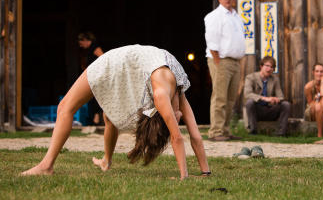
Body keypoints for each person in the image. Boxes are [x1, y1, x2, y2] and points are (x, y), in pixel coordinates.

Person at [22, 45, 210, 180]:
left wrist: (205, 173)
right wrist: (184, 176)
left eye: (175, 121)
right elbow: (177, 138)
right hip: (112, 64)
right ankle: (46, 165)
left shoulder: (175, 93)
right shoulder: (166, 94)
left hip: (130, 67)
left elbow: (195, 135)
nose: (179, 119)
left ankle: (106, 161)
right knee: (66, 107)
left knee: (108, 116)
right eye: (176, 120)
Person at [204, 0, 246, 141]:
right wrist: (217, 61)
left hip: (234, 61)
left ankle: (225, 130)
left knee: (230, 98)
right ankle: (215, 132)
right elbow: (211, 39)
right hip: (221, 60)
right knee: (220, 96)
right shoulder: (215, 16)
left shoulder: (236, 16)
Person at [244, 56, 291, 136]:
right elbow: (247, 94)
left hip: (270, 109)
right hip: (257, 110)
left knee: (286, 105)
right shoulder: (250, 77)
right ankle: (253, 131)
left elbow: (281, 96)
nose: (269, 69)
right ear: (261, 66)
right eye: (267, 66)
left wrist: (275, 99)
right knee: (249, 103)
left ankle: (281, 133)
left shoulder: (275, 79)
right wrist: (265, 99)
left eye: (272, 67)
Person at [78, 31, 104, 125]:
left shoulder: (95, 47)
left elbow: (103, 58)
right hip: (91, 75)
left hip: (97, 76)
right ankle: (94, 118)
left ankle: (96, 118)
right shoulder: (87, 50)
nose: (80, 46)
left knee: (96, 97)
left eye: (81, 43)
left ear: (85, 40)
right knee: (91, 97)